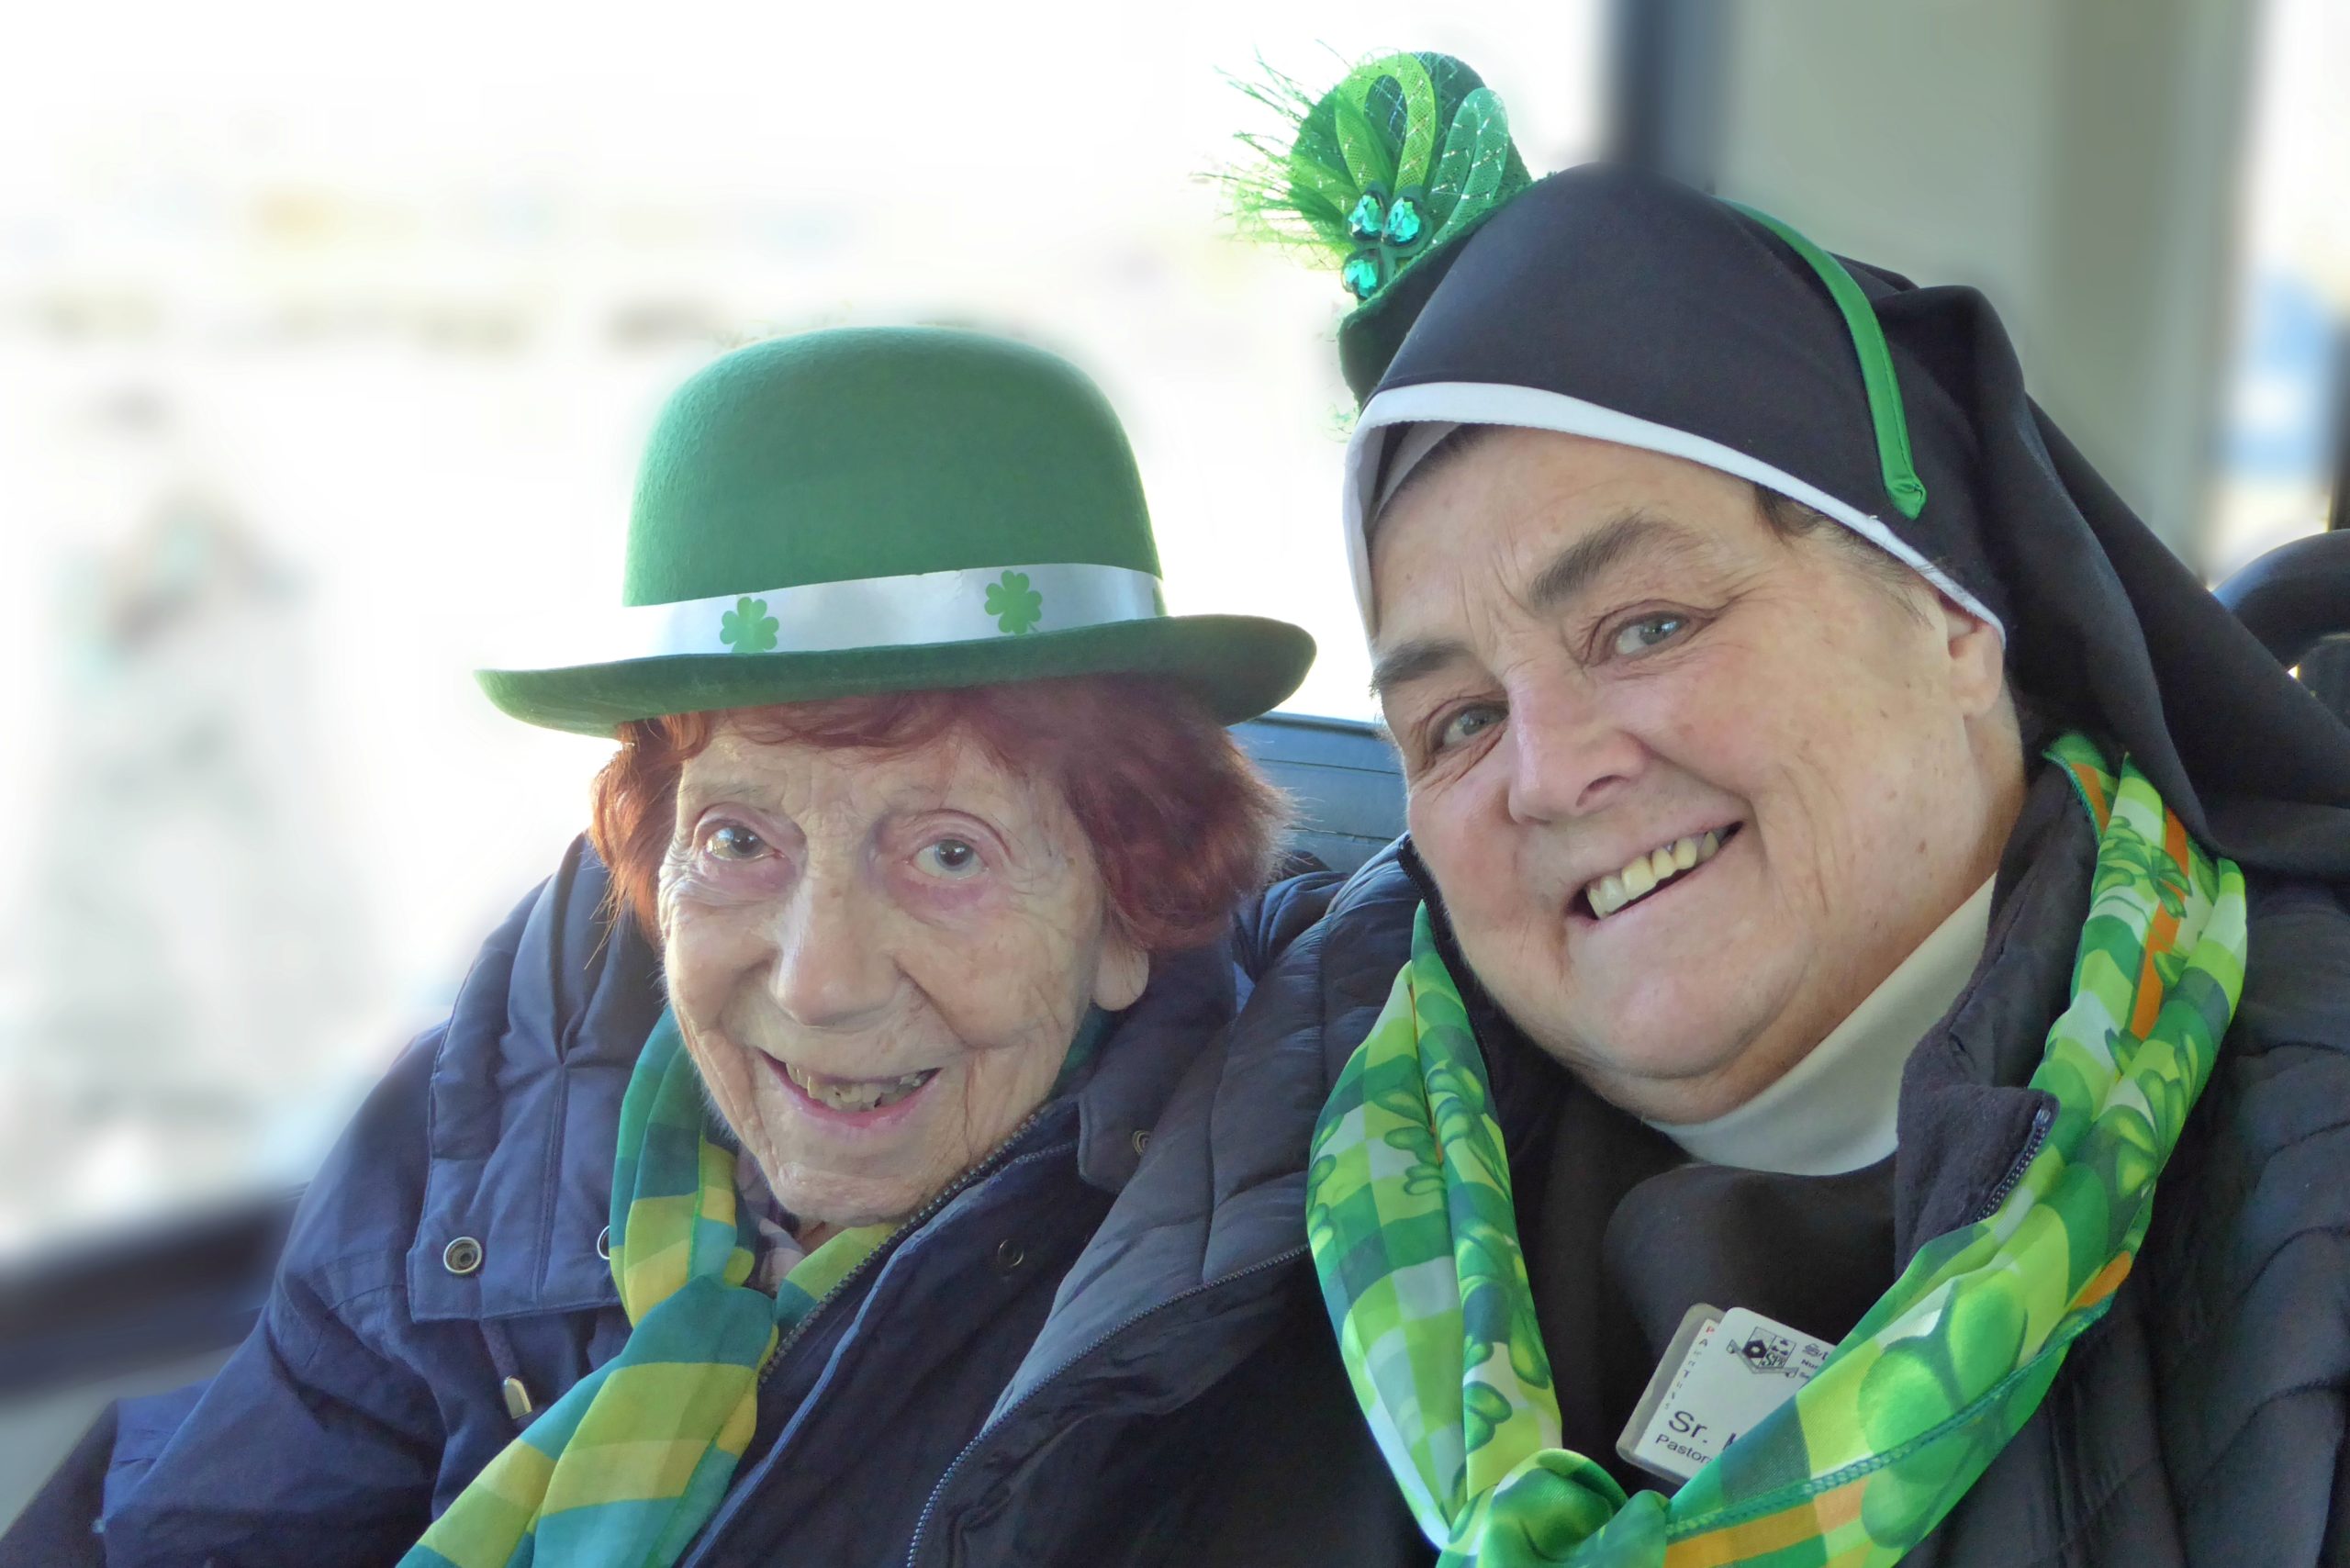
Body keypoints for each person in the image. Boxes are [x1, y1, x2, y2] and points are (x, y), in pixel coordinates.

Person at [1213, 52, 2350, 1566]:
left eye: (1648, 626)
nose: (1549, 775)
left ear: (1951, 623)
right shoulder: (1276, 1163)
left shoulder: (2310, 1162)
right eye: (1459, 721)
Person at [67, 326, 1402, 1567]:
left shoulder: (1235, 1279)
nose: (819, 983)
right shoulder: (473, 1119)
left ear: (1131, 907)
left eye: (949, 852)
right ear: (650, 866)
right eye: (740, 843)